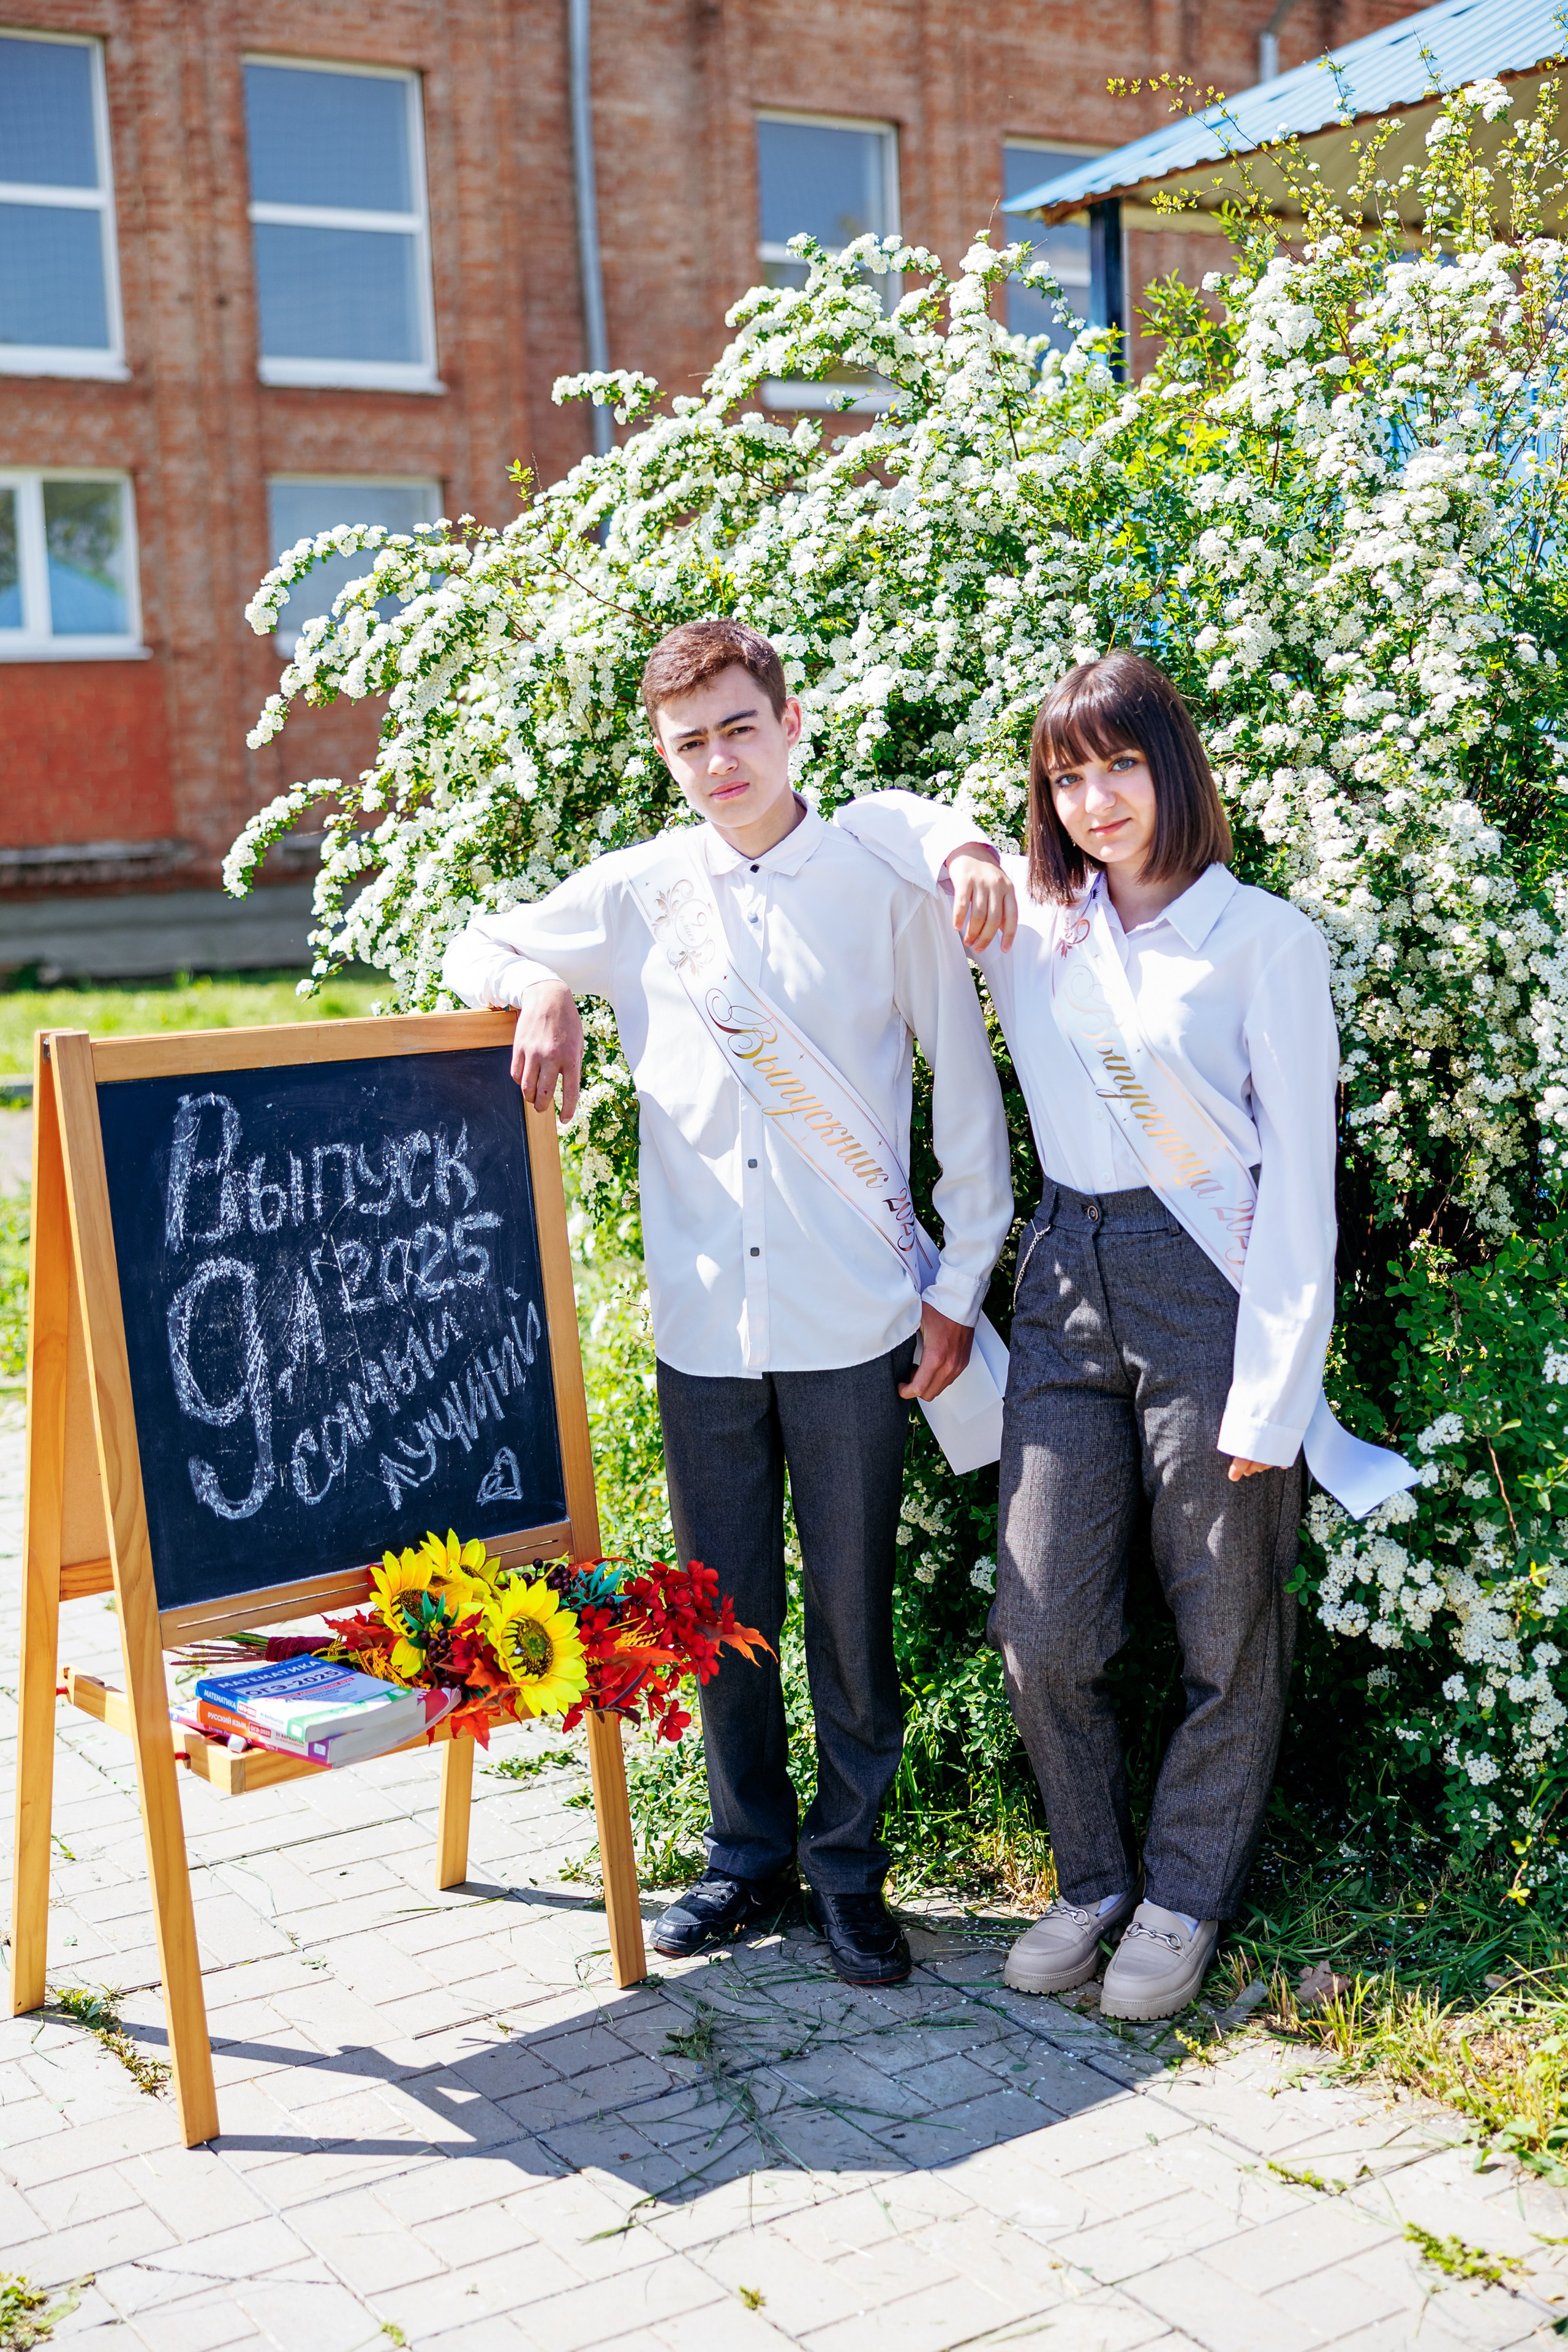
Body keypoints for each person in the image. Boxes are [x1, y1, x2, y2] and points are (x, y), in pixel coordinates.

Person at [442, 618, 1013, 1987]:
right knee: (717, 1609)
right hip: (700, 1326)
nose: (718, 760)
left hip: (856, 1316)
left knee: (849, 1614)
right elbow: (473, 940)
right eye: (689, 742)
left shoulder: (880, 884)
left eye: (737, 728)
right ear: (663, 752)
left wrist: (958, 1285)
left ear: (789, 720)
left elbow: (968, 1103)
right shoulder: (641, 892)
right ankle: (743, 1860)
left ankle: (849, 1871)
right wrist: (537, 990)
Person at [837, 650, 1341, 2021]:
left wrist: (1273, 1397)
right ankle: (1092, 1880)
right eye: (1065, 775)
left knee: (1221, 1619)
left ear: (1169, 768)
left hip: (1209, 1286)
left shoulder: (1262, 942)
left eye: (1117, 765)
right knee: (1040, 1619)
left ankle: (1181, 1898)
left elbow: (1299, 1184)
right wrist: (958, 843)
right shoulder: (1034, 927)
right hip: (1062, 1272)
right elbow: (866, 814)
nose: (1094, 799)